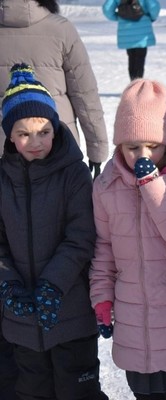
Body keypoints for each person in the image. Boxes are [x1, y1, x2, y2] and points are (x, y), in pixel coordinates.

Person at [89, 79, 166, 400]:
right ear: (119, 145)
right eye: (132, 146)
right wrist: (101, 296)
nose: (143, 155)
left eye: (152, 146)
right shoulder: (106, 185)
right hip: (134, 321)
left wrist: (154, 186)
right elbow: (104, 247)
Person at [0, 63, 108, 399]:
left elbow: (81, 236)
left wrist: (53, 284)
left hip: (70, 311)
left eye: (44, 131)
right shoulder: (3, 178)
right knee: (31, 392)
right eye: (23, 133)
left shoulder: (74, 173)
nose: (36, 142)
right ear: (9, 135)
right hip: (20, 322)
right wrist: (7, 282)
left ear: (56, 128)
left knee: (79, 391)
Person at [0, 0, 109, 177]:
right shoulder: (61, 29)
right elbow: (85, 95)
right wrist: (97, 150)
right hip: (57, 146)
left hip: (7, 152)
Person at [102, 0, 161, 81]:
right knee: (140, 60)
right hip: (142, 30)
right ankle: (137, 85)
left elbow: (107, 8)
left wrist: (118, 17)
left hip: (126, 30)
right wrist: (152, 17)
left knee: (132, 58)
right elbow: (154, 7)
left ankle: (133, 83)